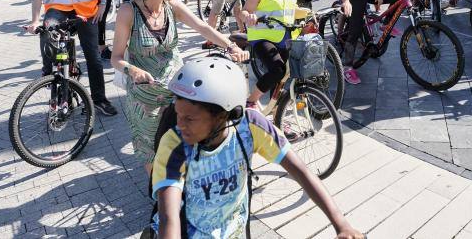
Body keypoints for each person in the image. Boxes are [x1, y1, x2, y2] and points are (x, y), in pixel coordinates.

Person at [152, 56, 363, 238]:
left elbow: (302, 171)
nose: (179, 124)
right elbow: (168, 218)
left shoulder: (250, 126)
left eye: (189, 118)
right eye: (178, 114)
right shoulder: (175, 145)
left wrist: (341, 225)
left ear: (224, 116)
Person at [110, 0, 247, 172]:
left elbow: (203, 28)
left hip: (178, 88)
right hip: (145, 94)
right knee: (150, 147)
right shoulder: (128, 12)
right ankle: (158, 194)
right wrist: (133, 70)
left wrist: (230, 45)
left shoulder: (171, 6)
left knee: (185, 136)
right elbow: (115, 58)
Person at [26, 0, 117, 116]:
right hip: (58, 10)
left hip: (86, 12)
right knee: (47, 30)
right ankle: (50, 73)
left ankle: (99, 100)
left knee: (93, 57)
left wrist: (102, 5)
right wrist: (34, 20)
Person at [240, 0, 301, 107]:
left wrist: (308, 15)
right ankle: (251, 101)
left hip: (285, 36)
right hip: (263, 36)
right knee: (277, 70)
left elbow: (291, 7)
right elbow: (244, 11)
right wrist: (249, 17)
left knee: (284, 77)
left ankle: (275, 115)